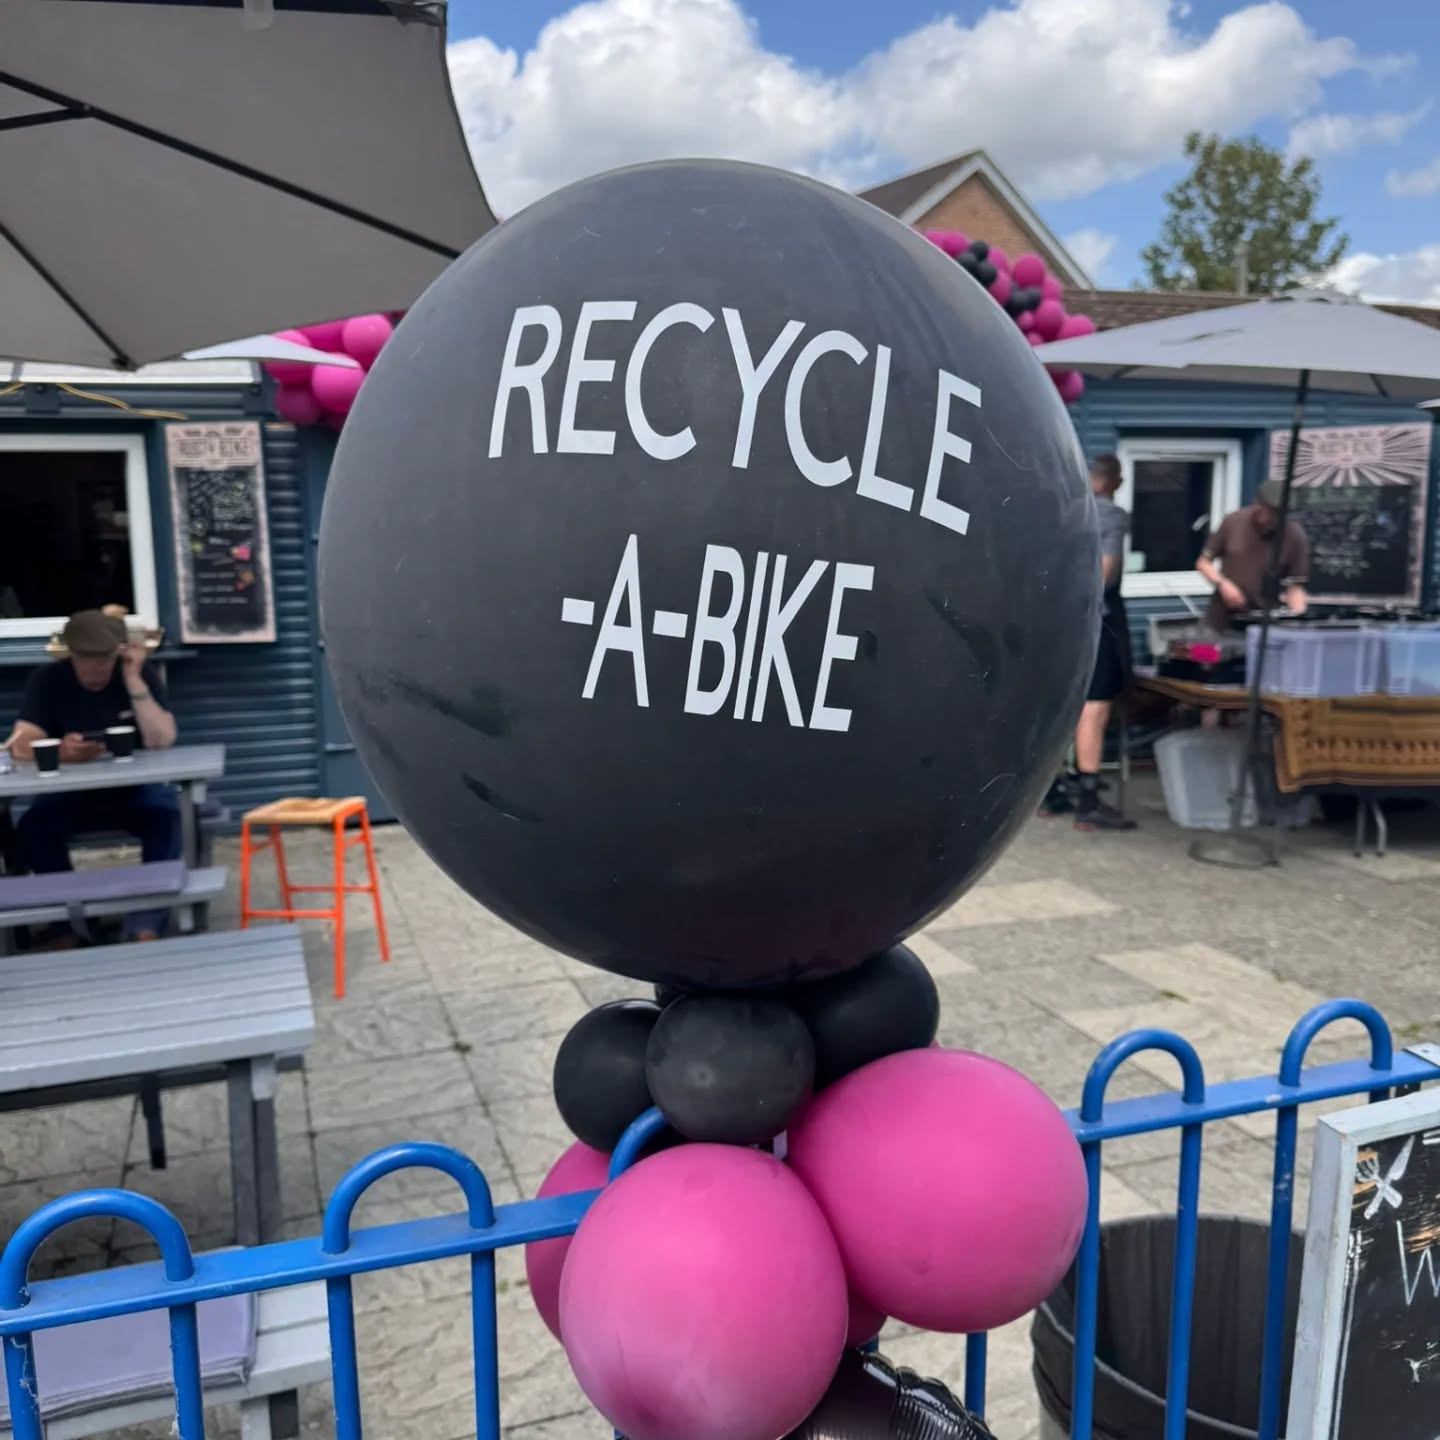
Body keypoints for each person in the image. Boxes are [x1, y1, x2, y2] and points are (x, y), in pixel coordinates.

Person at [9, 610, 180, 940]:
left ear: (118, 653)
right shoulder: (48, 680)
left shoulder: (140, 675)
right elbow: (20, 743)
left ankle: (145, 925)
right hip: (70, 794)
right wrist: (61, 751)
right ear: (71, 654)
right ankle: (68, 924)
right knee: (34, 828)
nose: (96, 669)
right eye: (87, 660)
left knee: (168, 815)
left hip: (134, 790)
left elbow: (163, 740)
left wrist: (133, 680)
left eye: (104, 659)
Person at [1039, 454, 1135, 830]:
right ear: (1115, 481)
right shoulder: (1108, 513)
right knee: (1093, 710)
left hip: (1058, 623)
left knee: (1061, 706)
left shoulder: (1059, 510)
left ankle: (1053, 792)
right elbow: (1105, 573)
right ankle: (1089, 801)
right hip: (1098, 622)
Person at [1196, 478, 1309, 633]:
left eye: (1280, 514)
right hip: (1219, 621)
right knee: (1202, 653)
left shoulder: (1295, 536)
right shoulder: (1233, 522)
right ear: (1257, 504)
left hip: (1264, 625)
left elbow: (1295, 586)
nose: (1274, 519)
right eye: (1271, 512)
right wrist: (1223, 584)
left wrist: (1298, 619)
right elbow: (1203, 563)